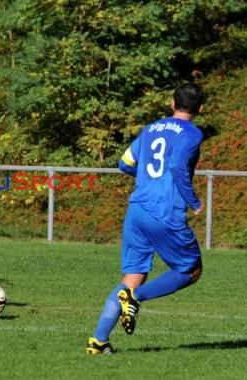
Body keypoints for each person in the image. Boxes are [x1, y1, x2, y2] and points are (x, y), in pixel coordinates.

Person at [86, 83, 206, 355]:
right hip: (165, 212)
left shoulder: (150, 129)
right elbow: (175, 166)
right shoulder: (193, 133)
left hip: (137, 210)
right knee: (190, 271)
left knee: (132, 277)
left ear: (171, 103)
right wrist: (195, 202)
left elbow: (124, 163)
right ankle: (136, 298)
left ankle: (98, 341)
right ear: (200, 108)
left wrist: (148, 179)